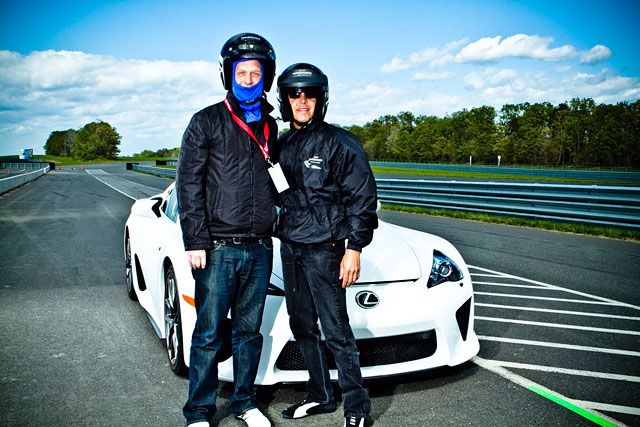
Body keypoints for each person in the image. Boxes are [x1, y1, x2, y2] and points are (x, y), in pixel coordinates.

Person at [176, 33, 279, 427]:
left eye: (256, 73)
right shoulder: (206, 121)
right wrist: (196, 240)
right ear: (228, 76)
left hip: (259, 247)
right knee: (208, 333)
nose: (248, 80)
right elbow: (189, 184)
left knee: (249, 333)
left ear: (265, 77)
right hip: (218, 247)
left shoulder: (270, 126)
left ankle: (245, 403)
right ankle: (199, 412)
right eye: (241, 73)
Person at [275, 63, 378, 427]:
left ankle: (356, 408)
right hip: (291, 245)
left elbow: (362, 197)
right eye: (295, 95)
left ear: (321, 99)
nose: (302, 101)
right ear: (285, 100)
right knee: (301, 325)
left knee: (336, 330)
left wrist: (354, 248)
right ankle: (320, 395)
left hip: (326, 248)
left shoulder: (340, 142)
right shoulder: (281, 145)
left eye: (310, 95)